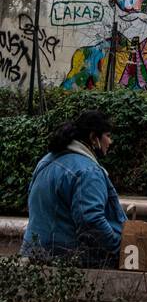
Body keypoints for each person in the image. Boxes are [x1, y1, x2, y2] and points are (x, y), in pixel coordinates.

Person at [21, 110, 127, 268]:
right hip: (66, 261)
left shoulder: (45, 161)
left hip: (34, 254)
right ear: (93, 138)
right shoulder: (88, 172)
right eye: (108, 135)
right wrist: (119, 249)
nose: (110, 142)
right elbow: (91, 221)